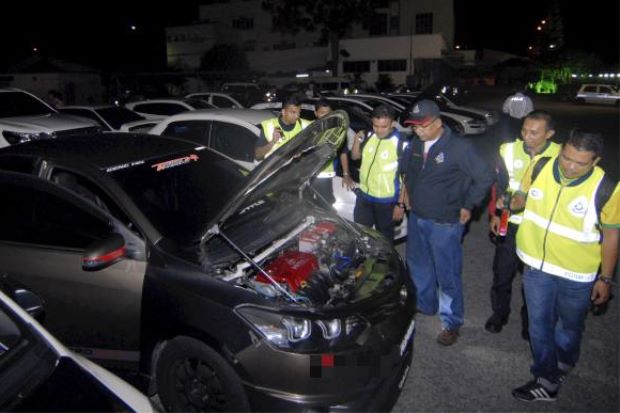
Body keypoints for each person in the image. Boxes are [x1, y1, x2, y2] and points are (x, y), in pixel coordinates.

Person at [510, 130, 619, 402]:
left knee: (569, 327)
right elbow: (522, 195)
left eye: (580, 163)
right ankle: (546, 379)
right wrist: (513, 201)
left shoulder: (607, 188)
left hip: (577, 274)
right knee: (539, 324)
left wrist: (605, 279)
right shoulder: (540, 166)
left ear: (595, 161)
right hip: (536, 265)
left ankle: (565, 360)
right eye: (566, 158)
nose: (570, 167)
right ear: (560, 151)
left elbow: (612, 236)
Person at [400, 100, 494, 346]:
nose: (417, 130)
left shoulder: (459, 147)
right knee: (418, 266)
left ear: (438, 122)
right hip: (417, 217)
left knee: (447, 273)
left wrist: (469, 205)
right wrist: (406, 192)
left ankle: (451, 322)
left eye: (422, 125)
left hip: (445, 221)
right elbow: (407, 170)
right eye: (414, 126)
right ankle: (425, 303)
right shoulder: (415, 144)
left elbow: (485, 177)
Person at [485, 110, 561, 337]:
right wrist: (495, 213)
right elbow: (498, 185)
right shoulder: (508, 150)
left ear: (549, 134)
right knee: (502, 274)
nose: (527, 136)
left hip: (540, 229)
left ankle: (530, 321)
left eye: (534, 132)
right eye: (524, 130)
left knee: (534, 282)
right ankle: (499, 313)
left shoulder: (561, 156)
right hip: (510, 224)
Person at [351, 104, 405, 243]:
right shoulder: (369, 136)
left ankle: (384, 257)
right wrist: (356, 141)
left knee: (384, 239)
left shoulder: (401, 143)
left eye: (384, 127)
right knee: (361, 234)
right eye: (376, 126)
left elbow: (407, 177)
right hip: (364, 196)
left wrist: (400, 205)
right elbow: (355, 157)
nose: (379, 130)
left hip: (386, 201)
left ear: (392, 123)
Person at [311, 100, 356, 205]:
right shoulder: (310, 129)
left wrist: (346, 174)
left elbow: (343, 153)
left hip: (325, 174)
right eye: (322, 112)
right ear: (316, 113)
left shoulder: (337, 131)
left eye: (328, 113)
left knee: (326, 202)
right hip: (309, 174)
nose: (326, 115)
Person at [255, 95, 311, 160]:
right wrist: (273, 142)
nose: (297, 116)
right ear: (283, 112)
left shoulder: (306, 125)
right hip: (275, 166)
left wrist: (302, 150)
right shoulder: (269, 126)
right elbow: (258, 156)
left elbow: (315, 146)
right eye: (293, 112)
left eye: (299, 112)